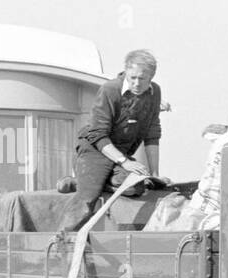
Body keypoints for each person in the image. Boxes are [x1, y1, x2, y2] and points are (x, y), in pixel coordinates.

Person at [58, 49, 167, 231]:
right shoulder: (110, 90)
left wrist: (154, 173)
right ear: (125, 71)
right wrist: (125, 162)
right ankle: (61, 239)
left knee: (137, 187)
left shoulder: (155, 92)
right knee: (87, 198)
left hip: (120, 152)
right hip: (96, 148)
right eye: (132, 77)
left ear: (151, 77)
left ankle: (79, 181)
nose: (137, 83)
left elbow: (152, 134)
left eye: (142, 79)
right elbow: (98, 135)